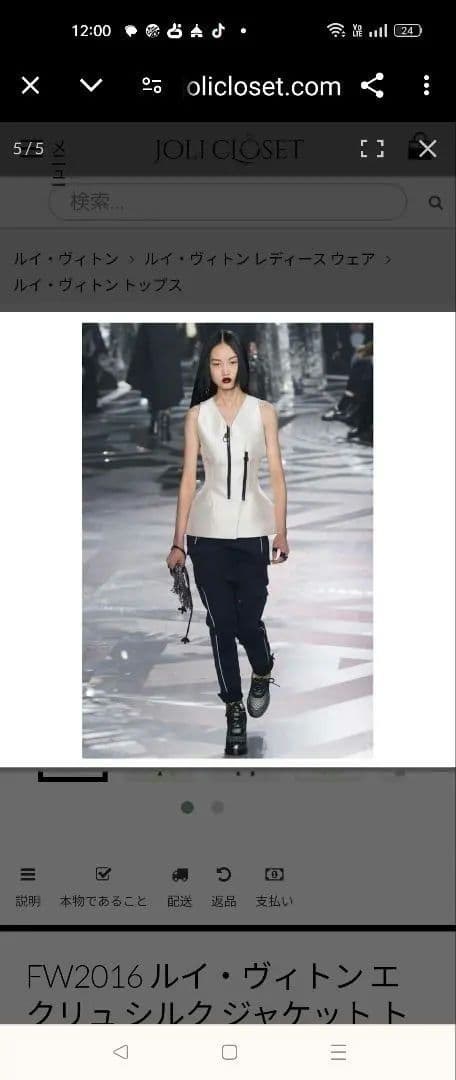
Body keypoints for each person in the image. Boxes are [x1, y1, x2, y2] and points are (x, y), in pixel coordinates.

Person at [166, 329, 289, 757]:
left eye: (232, 362)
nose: (225, 370)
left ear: (242, 364)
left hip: (253, 530)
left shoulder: (264, 412)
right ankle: (233, 707)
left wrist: (281, 530)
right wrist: (178, 542)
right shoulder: (197, 416)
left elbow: (277, 474)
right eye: (217, 363)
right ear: (208, 368)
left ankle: (262, 666)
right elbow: (188, 480)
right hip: (207, 534)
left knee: (248, 620)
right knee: (220, 623)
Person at [127, 324, 185, 438]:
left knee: (152, 374)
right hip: (168, 331)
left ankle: (154, 419)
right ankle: (165, 417)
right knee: (168, 373)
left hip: (151, 329)